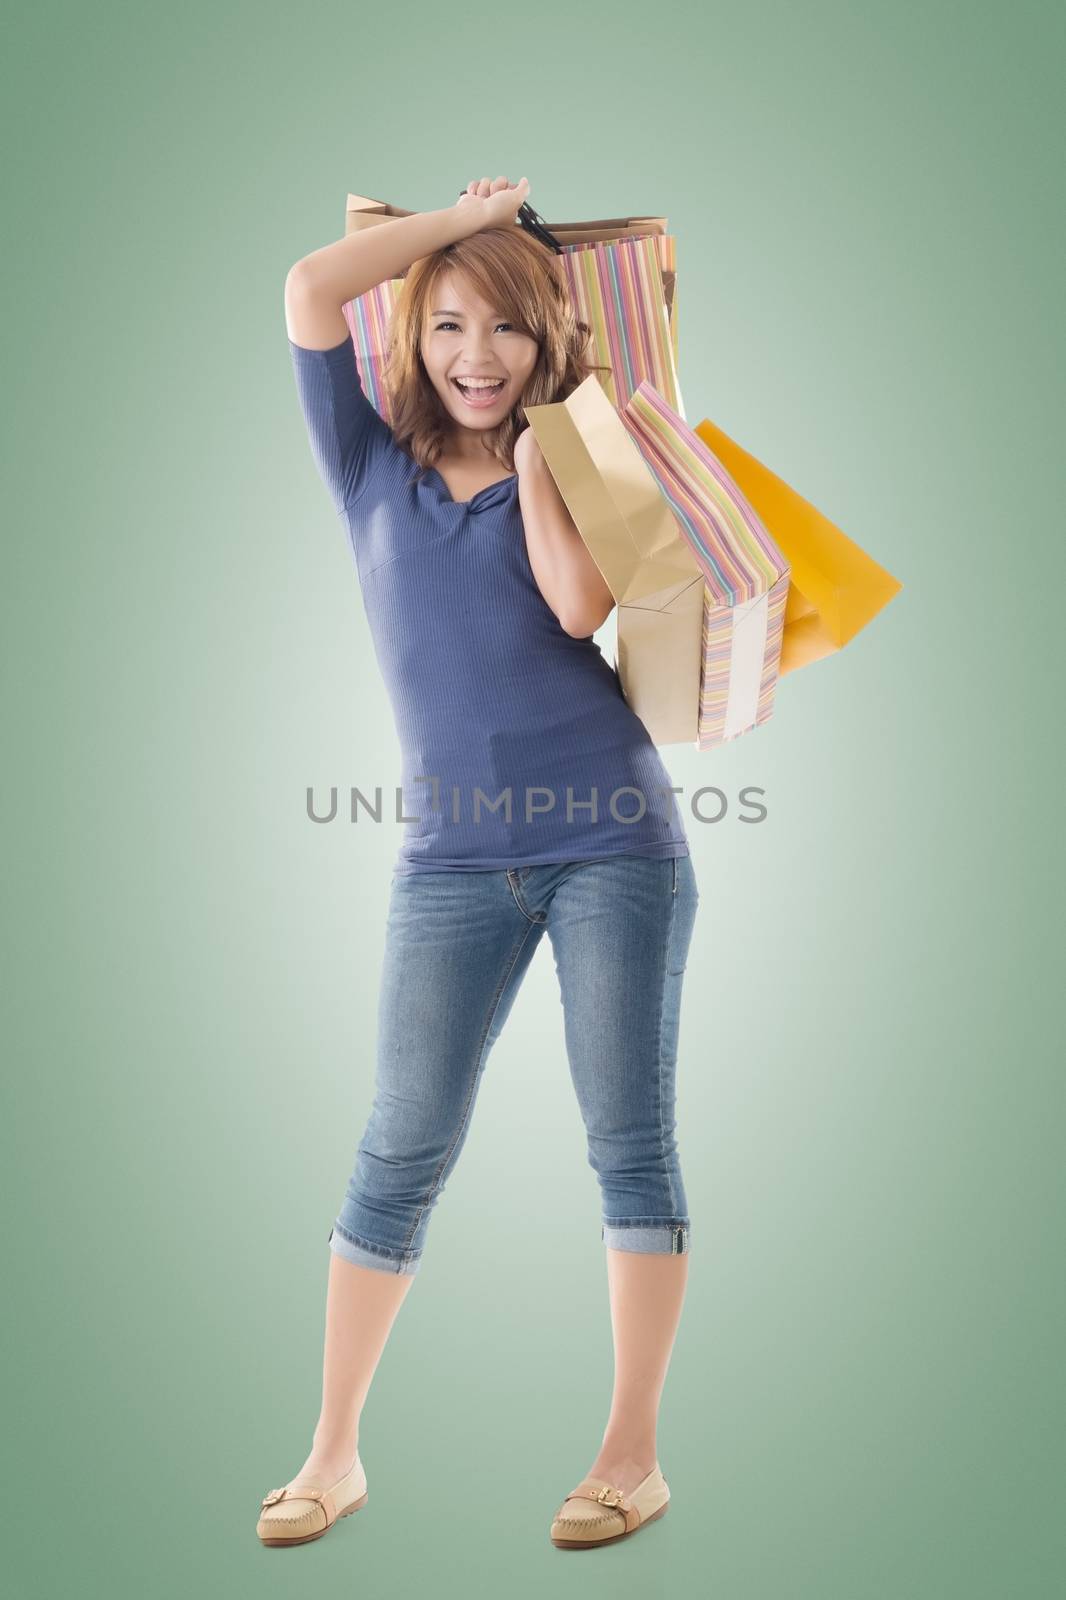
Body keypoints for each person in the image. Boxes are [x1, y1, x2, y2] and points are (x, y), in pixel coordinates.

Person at [257, 176, 700, 1551]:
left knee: (626, 1146)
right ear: (415, 332)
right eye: (448, 324)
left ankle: (629, 1458)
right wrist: (455, 223)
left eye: (506, 331)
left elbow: (579, 609)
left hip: (610, 843)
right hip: (449, 863)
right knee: (396, 1153)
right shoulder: (363, 462)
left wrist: (536, 475)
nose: (475, 355)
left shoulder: (562, 458)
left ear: (545, 345)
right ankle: (332, 1456)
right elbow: (307, 289)